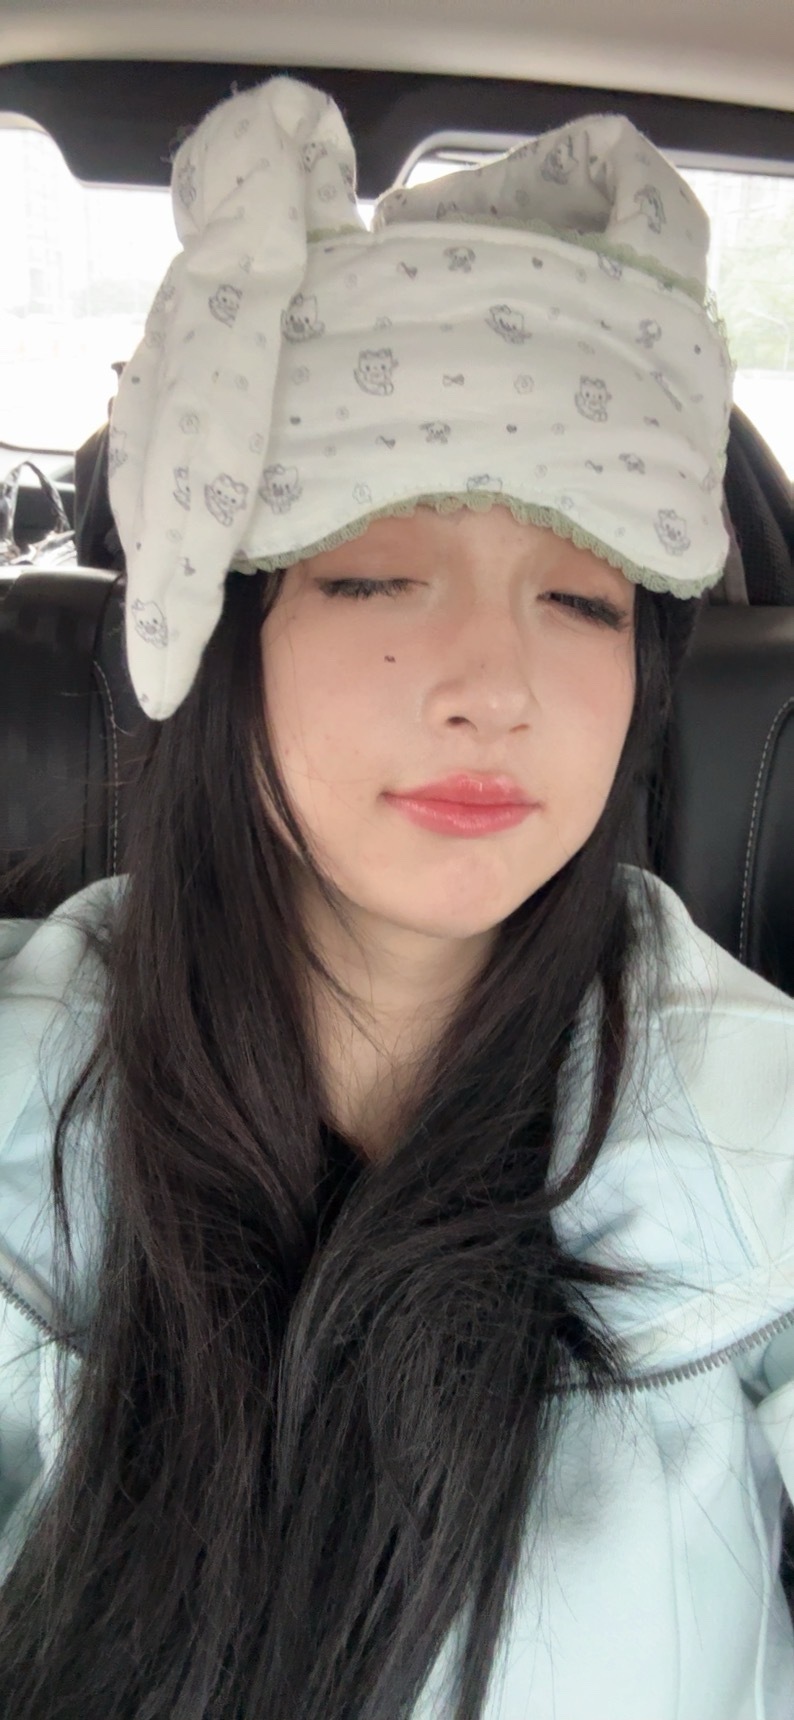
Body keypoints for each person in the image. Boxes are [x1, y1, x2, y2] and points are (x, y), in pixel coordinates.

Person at [0, 73, 793, 1720]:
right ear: (223, 639)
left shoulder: (759, 1140)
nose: (493, 687)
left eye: (580, 601)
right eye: (373, 575)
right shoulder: (25, 1094)